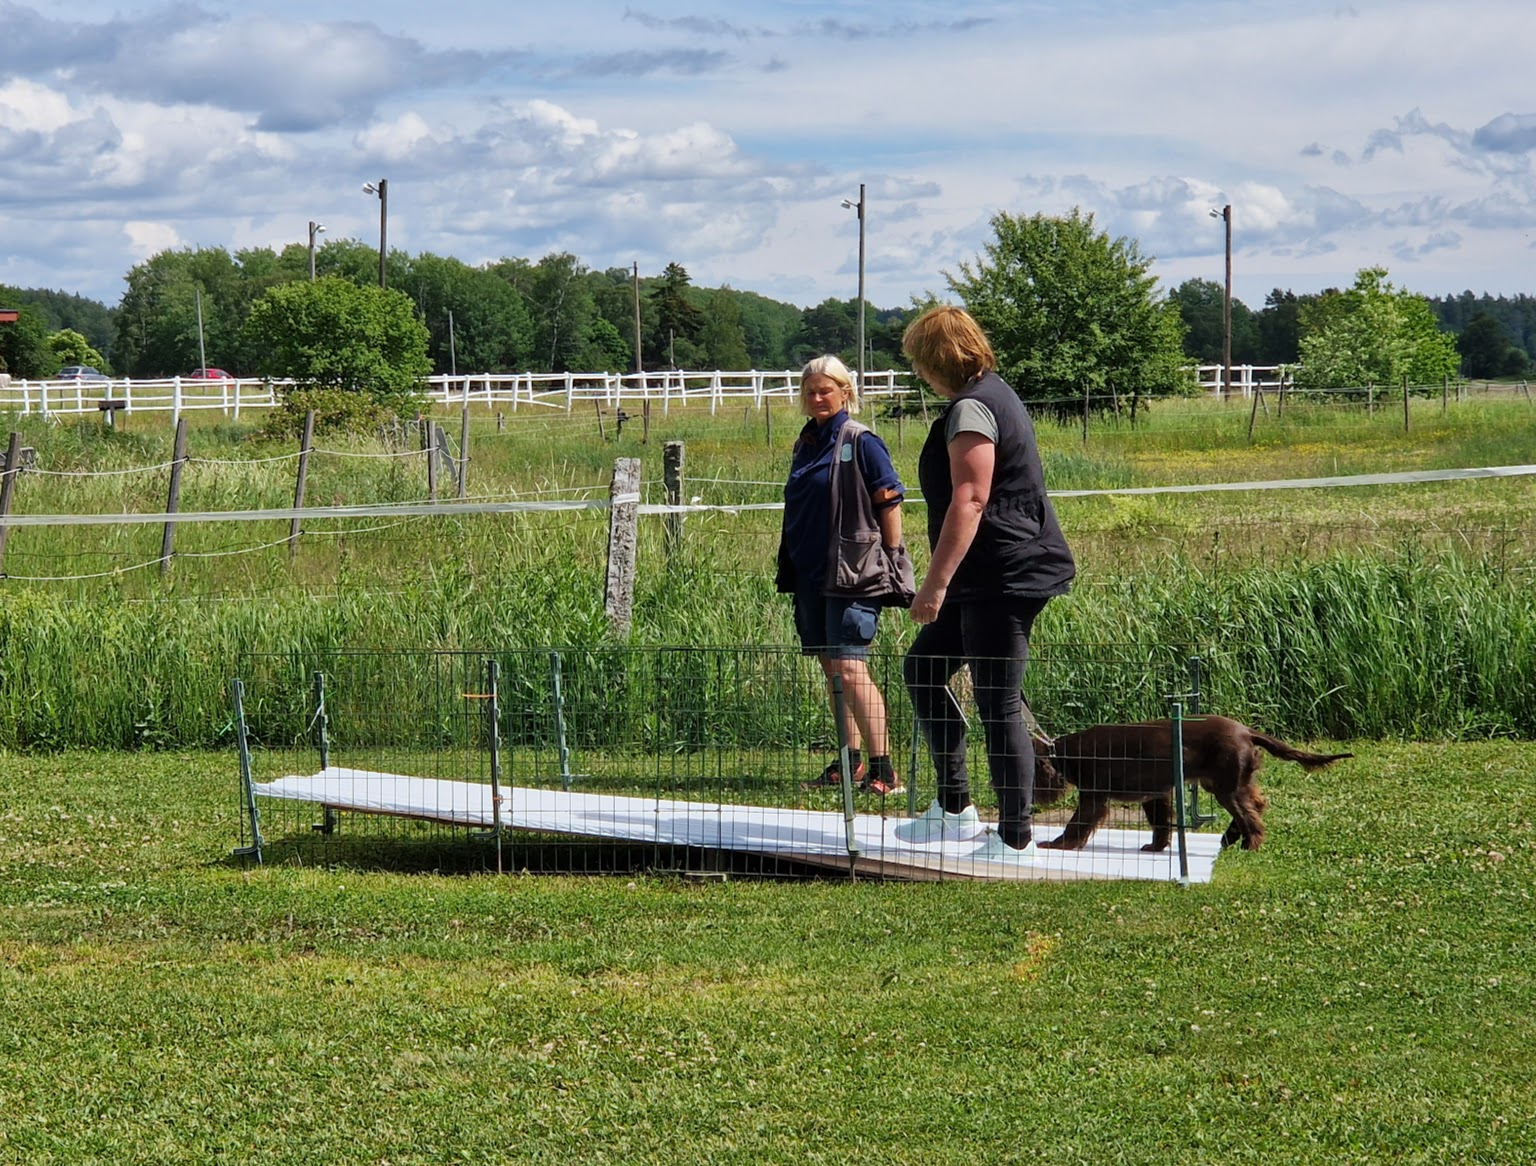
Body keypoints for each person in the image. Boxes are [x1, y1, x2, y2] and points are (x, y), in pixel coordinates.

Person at [895, 307, 1075, 859]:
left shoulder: (973, 406)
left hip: (1002, 575)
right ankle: (954, 809)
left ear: (938, 358)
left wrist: (934, 585)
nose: (918, 372)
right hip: (985, 575)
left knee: (997, 703)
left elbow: (971, 500)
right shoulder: (991, 394)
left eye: (919, 361)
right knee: (924, 669)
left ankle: (1015, 837)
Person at [775, 354, 910, 797]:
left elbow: (889, 500)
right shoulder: (805, 442)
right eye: (810, 391)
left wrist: (892, 557)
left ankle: (884, 768)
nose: (817, 398)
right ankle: (850, 761)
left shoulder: (862, 440)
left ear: (845, 392)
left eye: (826, 390)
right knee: (832, 668)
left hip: (854, 571)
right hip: (810, 573)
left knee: (851, 667)